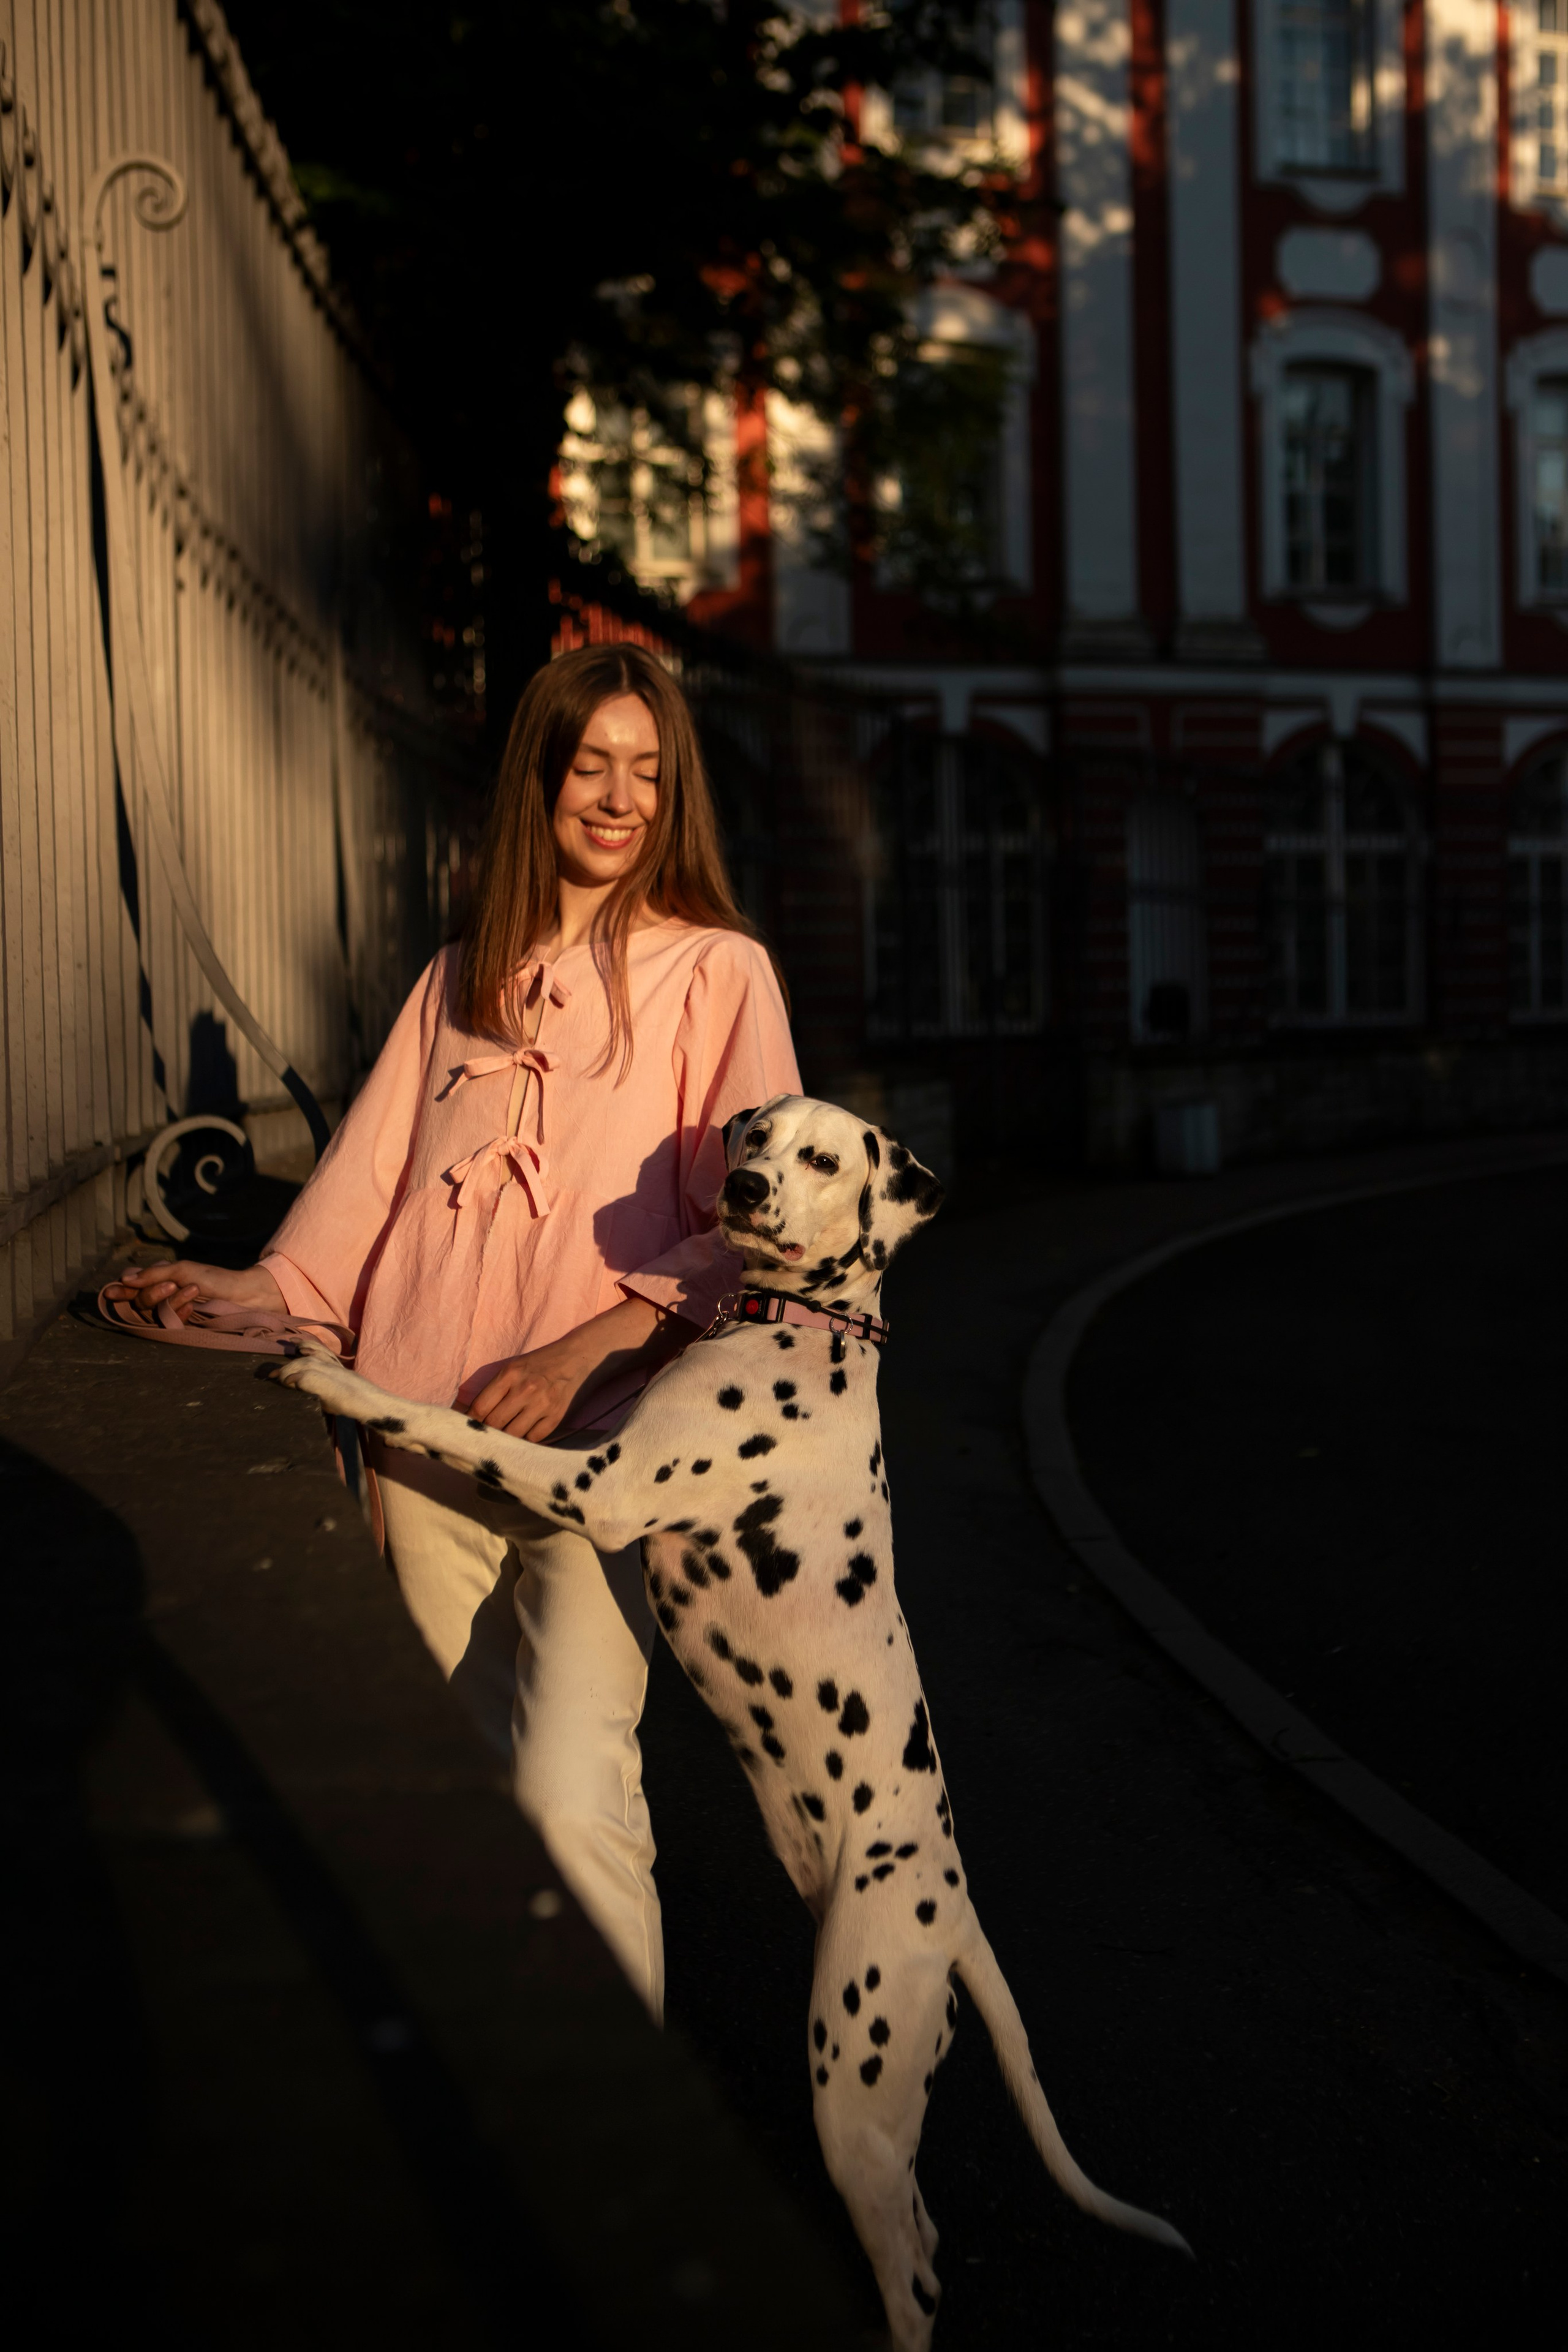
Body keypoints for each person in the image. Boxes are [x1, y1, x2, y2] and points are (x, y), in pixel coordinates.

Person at [107, 643, 801, 2019]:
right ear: (538, 779)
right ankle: (472, 2080)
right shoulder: (457, 981)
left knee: (575, 1785)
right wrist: (233, 1294)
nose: (616, 798)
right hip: (418, 1436)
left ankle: (620, 2138)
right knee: (438, 1785)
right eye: (589, 765)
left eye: (646, 775)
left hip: (598, 1465)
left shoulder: (720, 975)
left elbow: (756, 1231)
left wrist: (584, 1347)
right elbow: (357, 1208)